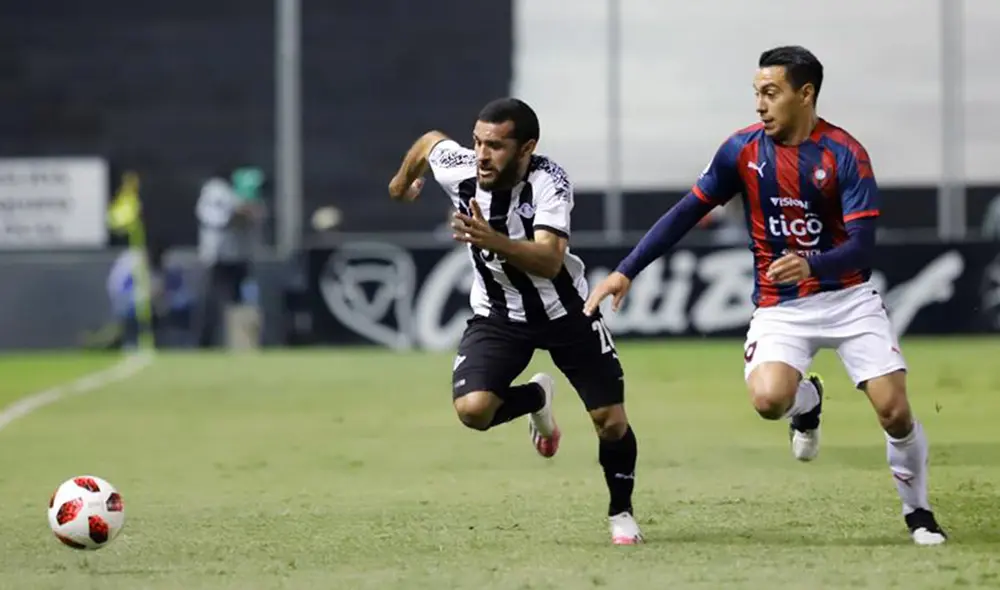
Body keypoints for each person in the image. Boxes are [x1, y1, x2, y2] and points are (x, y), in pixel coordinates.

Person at [584, 46, 947, 546]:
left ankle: (919, 514)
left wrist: (813, 263)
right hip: (782, 304)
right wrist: (627, 270)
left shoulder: (845, 155)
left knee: (894, 411)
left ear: (806, 94)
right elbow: (688, 210)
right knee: (768, 400)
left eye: (771, 93)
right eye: (756, 93)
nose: (760, 104)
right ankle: (808, 400)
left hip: (848, 298)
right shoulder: (742, 151)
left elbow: (862, 249)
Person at [388, 98, 643, 545]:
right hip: (498, 315)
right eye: (478, 142)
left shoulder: (550, 182)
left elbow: (548, 260)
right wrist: (401, 181)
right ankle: (536, 398)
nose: (482, 155)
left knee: (610, 422)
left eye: (496, 146)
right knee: (473, 411)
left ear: (527, 147)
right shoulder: (465, 168)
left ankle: (621, 513)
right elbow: (430, 144)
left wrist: (493, 239)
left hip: (567, 313)